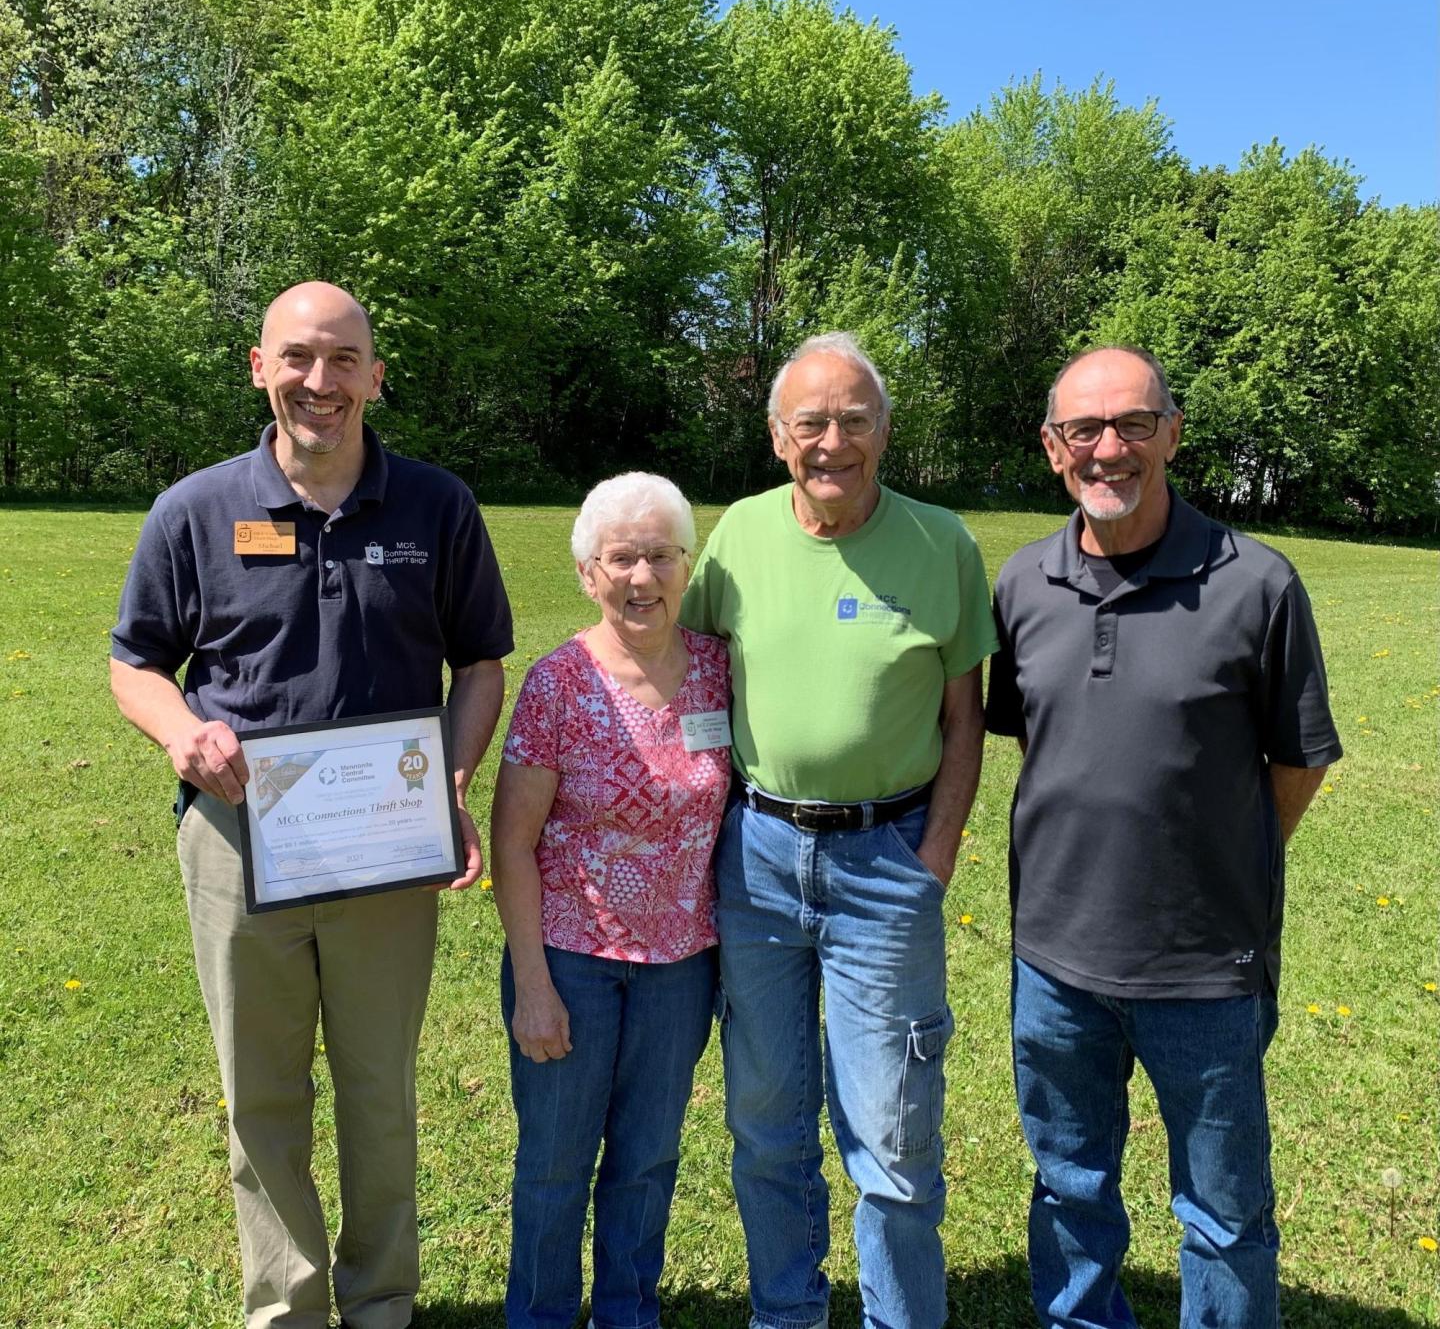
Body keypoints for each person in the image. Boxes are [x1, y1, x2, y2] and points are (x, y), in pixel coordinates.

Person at [109, 281, 512, 1329]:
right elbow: (136, 663)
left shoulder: (437, 507)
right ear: (259, 367)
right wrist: (179, 734)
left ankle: (381, 1303)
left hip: (387, 841)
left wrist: (458, 781)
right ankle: (285, 1307)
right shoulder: (196, 510)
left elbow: (479, 664)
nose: (319, 381)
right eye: (297, 357)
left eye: (343, 360)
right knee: (261, 1095)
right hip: (240, 838)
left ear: (376, 376)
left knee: (380, 1094)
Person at [985, 345, 1343, 1329]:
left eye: (1133, 425)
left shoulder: (1257, 584)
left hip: (1206, 974)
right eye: (1084, 431)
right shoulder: (1022, 586)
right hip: (1054, 966)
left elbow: (1298, 759)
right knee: (1069, 1190)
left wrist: (1221, 856)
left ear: (1172, 435)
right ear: (1054, 450)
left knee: (1224, 1216)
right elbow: (1040, 739)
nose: (1109, 449)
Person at [680, 333, 996, 1329]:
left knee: (894, 1140)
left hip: (885, 861)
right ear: (778, 438)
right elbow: (685, 680)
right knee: (768, 1128)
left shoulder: (943, 543)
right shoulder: (736, 535)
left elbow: (964, 719)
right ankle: (789, 1314)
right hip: (759, 860)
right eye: (810, 422)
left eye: (854, 420)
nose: (833, 442)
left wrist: (931, 861)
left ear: (885, 430)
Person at [490, 472, 729, 1329]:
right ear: (589, 572)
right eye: (620, 558)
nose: (641, 577)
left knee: (647, 1159)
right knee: (555, 1163)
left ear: (685, 565)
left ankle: (629, 1313)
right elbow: (512, 842)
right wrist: (533, 985)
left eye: (659, 556)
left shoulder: (717, 670)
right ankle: (543, 1316)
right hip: (570, 961)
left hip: (681, 966)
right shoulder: (557, 683)